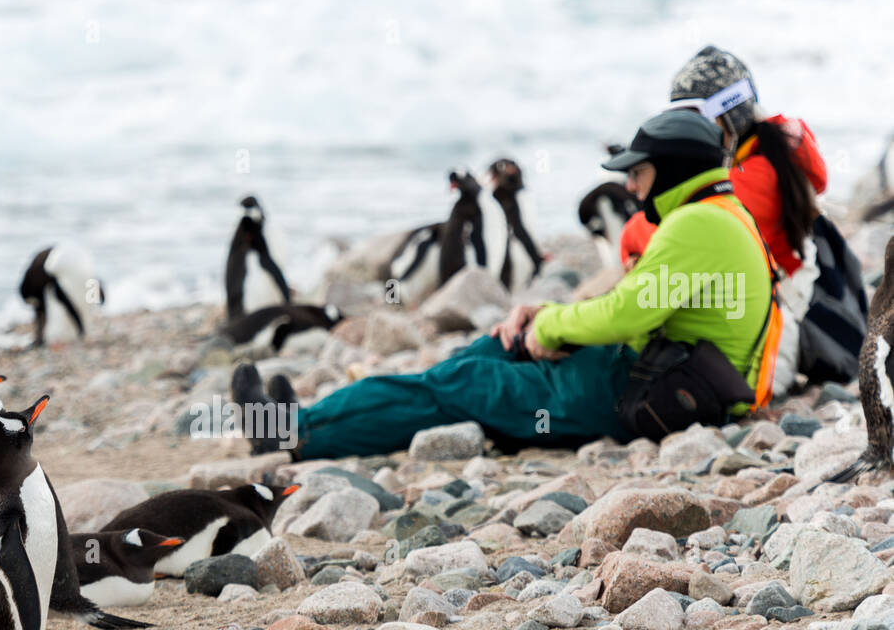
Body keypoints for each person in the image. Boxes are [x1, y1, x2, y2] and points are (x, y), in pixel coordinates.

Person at [235, 111, 777, 460]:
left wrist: (550, 324)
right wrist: (544, 317)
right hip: (644, 373)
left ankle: (297, 433)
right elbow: (635, 307)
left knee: (461, 388)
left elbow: (627, 316)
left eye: (639, 172)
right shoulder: (721, 216)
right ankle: (302, 422)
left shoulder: (697, 223)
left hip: (640, 395)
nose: (631, 185)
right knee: (484, 354)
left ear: (675, 169)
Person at [619, 45, 864, 391]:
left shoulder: (754, 179)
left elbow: (638, 233)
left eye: (693, 114)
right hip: (766, 321)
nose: (682, 128)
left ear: (726, 115)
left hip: (775, 341)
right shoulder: (764, 159)